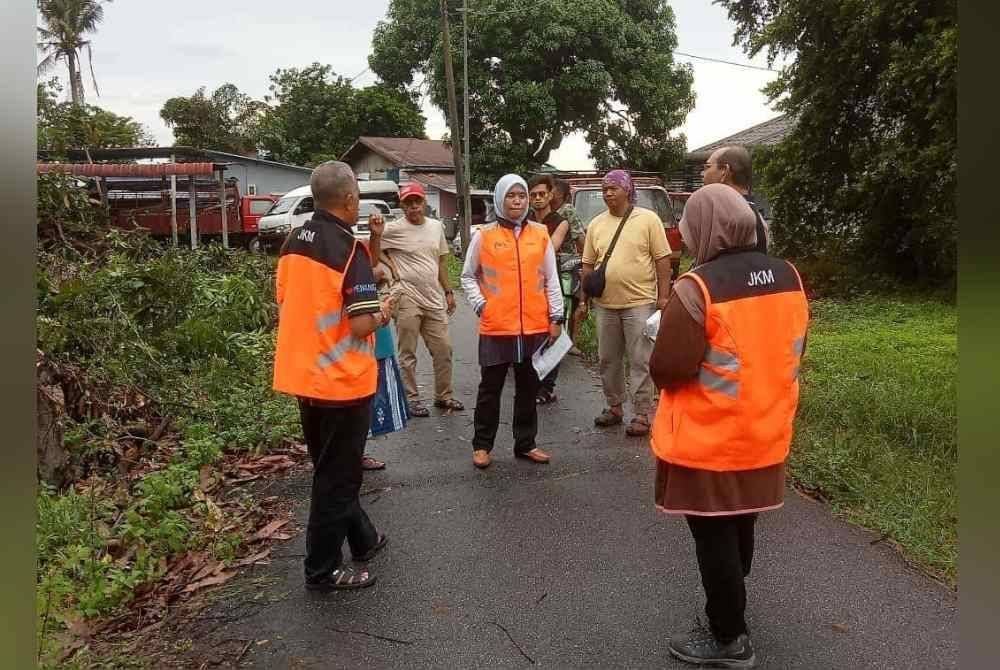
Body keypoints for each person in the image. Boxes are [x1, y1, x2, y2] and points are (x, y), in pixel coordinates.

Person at [648, 183, 809, 668]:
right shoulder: (788, 276)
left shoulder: (699, 287)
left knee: (712, 533)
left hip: (712, 437)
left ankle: (728, 637)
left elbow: (668, 368)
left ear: (704, 228)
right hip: (766, 428)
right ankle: (732, 599)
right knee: (743, 518)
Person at [272, 161, 392, 591]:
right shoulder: (348, 249)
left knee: (331, 467)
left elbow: (287, 301)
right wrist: (385, 311)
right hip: (340, 379)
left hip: (303, 375)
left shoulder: (292, 242)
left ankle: (363, 538)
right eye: (357, 191)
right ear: (348, 199)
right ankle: (321, 570)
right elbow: (361, 324)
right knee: (336, 479)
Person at [460, 174, 564, 469]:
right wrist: (482, 305)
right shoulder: (484, 235)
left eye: (521, 196)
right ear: (500, 199)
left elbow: (551, 279)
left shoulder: (540, 234)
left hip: (533, 325)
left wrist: (556, 316)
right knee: (490, 389)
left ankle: (526, 443)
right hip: (497, 326)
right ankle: (482, 446)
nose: (517, 201)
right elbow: (468, 276)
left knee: (528, 387)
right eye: (511, 196)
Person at [578, 169, 672, 437]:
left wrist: (663, 297)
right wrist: (584, 299)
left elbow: (662, 261)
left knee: (641, 359)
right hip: (605, 304)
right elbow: (587, 265)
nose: (608, 193)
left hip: (640, 302)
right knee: (608, 359)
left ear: (627, 190)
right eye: (604, 188)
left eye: (613, 188)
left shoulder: (648, 220)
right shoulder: (596, 224)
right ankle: (615, 406)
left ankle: (642, 413)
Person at [375, 182, 464, 418]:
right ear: (402, 206)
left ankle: (443, 396)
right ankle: (412, 399)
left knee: (443, 348)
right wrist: (392, 265)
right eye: (408, 203)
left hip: (433, 297)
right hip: (406, 296)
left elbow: (441, 262)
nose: (413, 207)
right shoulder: (394, 229)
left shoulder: (435, 227)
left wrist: (448, 291)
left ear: (424, 203)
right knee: (408, 351)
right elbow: (374, 250)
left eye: (417, 202)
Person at [527, 174, 575, 405]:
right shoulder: (523, 220)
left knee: (552, 335)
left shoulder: (560, 221)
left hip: (551, 285)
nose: (538, 198)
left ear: (550, 195)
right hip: (527, 286)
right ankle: (532, 384)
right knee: (531, 336)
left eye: (542, 194)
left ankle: (547, 387)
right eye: (533, 194)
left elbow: (549, 248)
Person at [700, 145, 769, 254]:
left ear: (724, 171)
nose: (702, 174)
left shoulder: (722, 218)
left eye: (707, 167)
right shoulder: (758, 218)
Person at [550, 178, 587, 356]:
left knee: (574, 299)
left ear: (563, 195)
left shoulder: (567, 211)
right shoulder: (542, 209)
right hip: (547, 261)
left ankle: (572, 341)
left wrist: (585, 259)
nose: (550, 193)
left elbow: (580, 237)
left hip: (566, 262)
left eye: (554, 190)